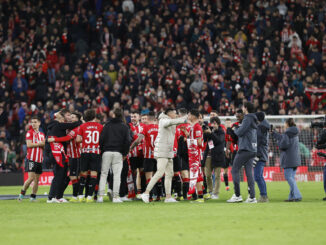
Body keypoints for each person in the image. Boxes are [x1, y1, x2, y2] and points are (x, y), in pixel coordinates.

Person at [141, 108, 187, 203]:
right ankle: (146, 192)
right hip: (162, 151)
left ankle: (168, 197)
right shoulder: (163, 120)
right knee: (160, 172)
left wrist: (186, 120)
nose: (176, 115)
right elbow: (172, 122)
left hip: (168, 151)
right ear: (169, 113)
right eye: (175, 113)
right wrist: (186, 118)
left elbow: (176, 122)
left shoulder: (169, 120)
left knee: (169, 174)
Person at [46, 109, 80, 203]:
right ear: (62, 117)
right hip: (57, 153)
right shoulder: (59, 125)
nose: (69, 117)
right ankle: (51, 197)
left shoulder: (55, 125)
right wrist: (80, 120)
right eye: (68, 115)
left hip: (61, 154)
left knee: (63, 176)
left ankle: (58, 197)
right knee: (58, 175)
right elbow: (74, 125)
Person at [98, 108, 131, 203]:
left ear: (113, 115)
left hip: (106, 152)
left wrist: (103, 150)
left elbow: (101, 139)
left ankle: (100, 196)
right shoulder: (124, 126)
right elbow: (128, 141)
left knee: (104, 174)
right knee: (117, 175)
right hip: (118, 153)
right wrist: (124, 153)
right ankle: (116, 197)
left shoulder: (107, 125)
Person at [227, 102, 258, 203]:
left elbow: (240, 132)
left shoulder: (248, 118)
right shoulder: (254, 118)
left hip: (245, 148)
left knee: (234, 170)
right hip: (252, 149)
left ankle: (237, 195)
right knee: (249, 173)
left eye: (243, 107)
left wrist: (234, 129)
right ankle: (252, 197)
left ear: (245, 108)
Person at [271, 118, 302, 202]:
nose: (284, 124)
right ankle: (292, 197)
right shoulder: (294, 132)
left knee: (288, 177)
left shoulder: (287, 133)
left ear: (287, 124)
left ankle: (297, 195)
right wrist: (274, 133)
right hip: (295, 159)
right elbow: (283, 138)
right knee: (291, 177)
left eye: (285, 123)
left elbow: (283, 145)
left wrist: (278, 143)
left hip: (289, 159)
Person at [131, 111, 159, 201]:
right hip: (158, 155)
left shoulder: (145, 128)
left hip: (148, 156)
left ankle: (149, 197)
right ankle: (159, 195)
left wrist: (130, 148)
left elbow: (138, 140)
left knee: (149, 177)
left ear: (148, 119)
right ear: (155, 119)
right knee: (157, 176)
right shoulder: (159, 128)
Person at [76, 109, 103, 202]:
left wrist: (84, 138)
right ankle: (89, 197)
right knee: (94, 174)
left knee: (83, 173)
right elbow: (102, 140)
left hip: (85, 152)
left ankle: (80, 196)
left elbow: (78, 140)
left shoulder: (82, 126)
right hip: (95, 152)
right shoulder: (100, 126)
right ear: (94, 117)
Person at [18, 116, 45, 202]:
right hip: (31, 159)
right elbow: (29, 145)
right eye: (32, 122)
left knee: (37, 180)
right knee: (31, 178)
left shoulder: (42, 134)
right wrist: (40, 143)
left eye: (35, 122)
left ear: (39, 123)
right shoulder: (29, 133)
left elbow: (43, 146)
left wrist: (41, 144)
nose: (33, 124)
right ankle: (21, 195)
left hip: (39, 159)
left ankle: (33, 197)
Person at [183, 109, 205, 203]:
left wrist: (189, 141)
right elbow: (193, 138)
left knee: (198, 175)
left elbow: (199, 142)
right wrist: (187, 135)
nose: (188, 116)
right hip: (193, 155)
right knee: (196, 176)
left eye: (189, 114)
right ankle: (198, 196)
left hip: (197, 155)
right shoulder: (193, 127)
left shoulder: (197, 127)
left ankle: (200, 198)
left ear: (193, 116)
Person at [203, 116, 226, 200]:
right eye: (212, 123)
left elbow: (218, 141)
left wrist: (211, 133)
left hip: (218, 156)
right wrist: (205, 132)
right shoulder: (210, 131)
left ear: (218, 124)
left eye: (215, 123)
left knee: (217, 176)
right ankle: (210, 191)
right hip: (209, 156)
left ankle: (216, 193)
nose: (213, 125)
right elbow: (204, 140)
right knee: (208, 175)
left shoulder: (221, 132)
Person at [175, 108, 191, 200]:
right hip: (188, 153)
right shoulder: (189, 126)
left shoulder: (179, 127)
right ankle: (185, 195)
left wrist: (185, 137)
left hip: (181, 153)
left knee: (184, 174)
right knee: (185, 174)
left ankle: (183, 195)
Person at [254, 112, 270, 202]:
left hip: (260, 154)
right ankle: (263, 195)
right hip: (261, 154)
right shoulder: (264, 126)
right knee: (258, 176)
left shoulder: (261, 128)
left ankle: (264, 196)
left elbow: (258, 140)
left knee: (258, 176)